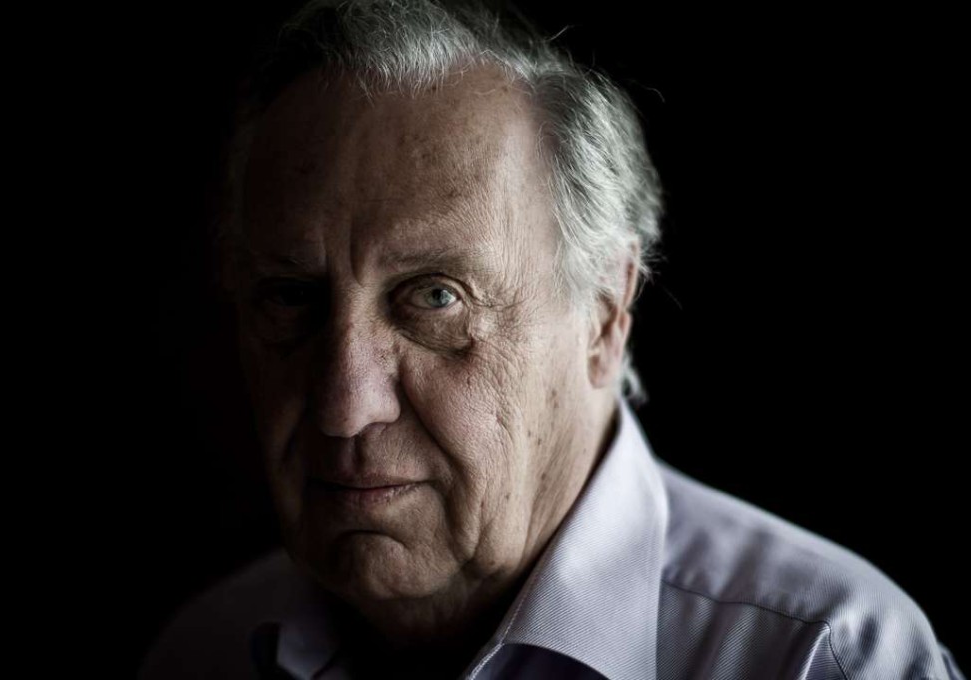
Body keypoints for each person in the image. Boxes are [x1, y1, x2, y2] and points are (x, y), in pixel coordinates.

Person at [139, 1, 965, 678]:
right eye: (290, 297)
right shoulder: (202, 654)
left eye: (434, 298)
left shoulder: (826, 661)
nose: (342, 407)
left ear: (606, 315)